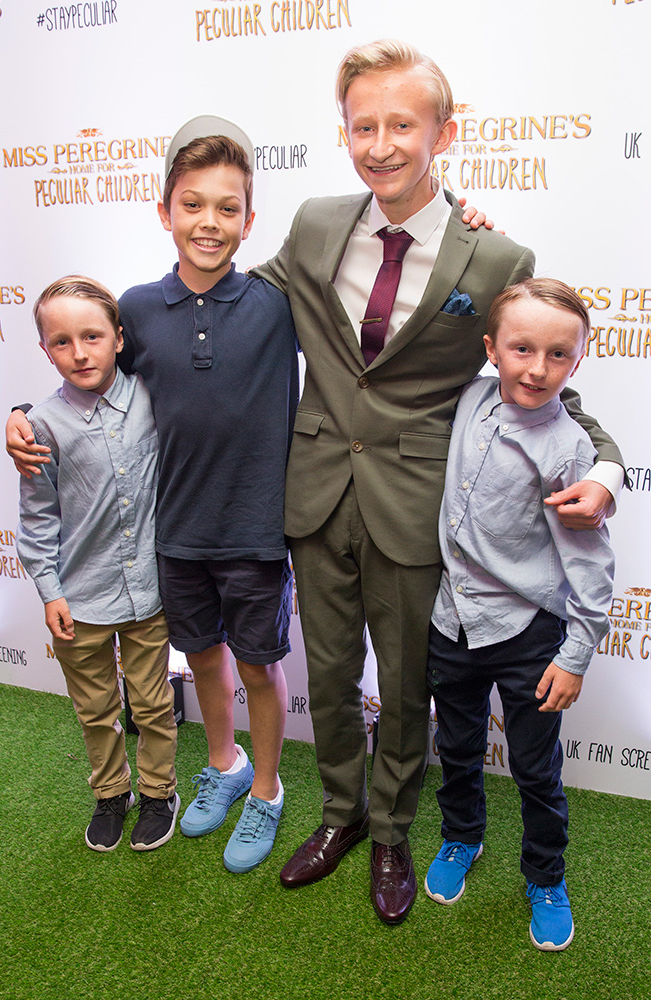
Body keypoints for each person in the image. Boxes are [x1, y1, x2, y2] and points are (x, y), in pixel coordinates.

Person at [254, 39, 624, 924]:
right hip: (315, 493)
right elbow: (240, 310)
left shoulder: (495, 259)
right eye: (363, 127)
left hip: (419, 508)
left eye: (402, 126)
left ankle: (392, 830)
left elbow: (543, 383)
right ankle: (341, 814)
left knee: (407, 682)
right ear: (344, 132)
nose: (381, 145)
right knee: (330, 675)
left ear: (444, 134)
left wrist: (608, 468)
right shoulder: (313, 223)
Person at [9, 119, 299, 875]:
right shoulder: (136, 308)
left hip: (257, 531)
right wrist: (20, 412)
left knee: (259, 666)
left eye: (228, 208)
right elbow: (89, 377)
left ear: (250, 220)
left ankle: (266, 789)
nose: (209, 222)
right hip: (172, 534)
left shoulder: (278, 302)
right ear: (163, 210)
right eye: (192, 205)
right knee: (203, 659)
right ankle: (226, 763)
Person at [424, 278, 615, 952]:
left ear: (579, 360)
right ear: (491, 349)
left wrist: (575, 655)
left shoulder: (569, 449)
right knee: (457, 748)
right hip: (451, 622)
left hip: (528, 634)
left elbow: (590, 563)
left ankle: (546, 876)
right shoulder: (470, 397)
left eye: (558, 355)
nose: (537, 368)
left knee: (536, 769)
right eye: (522, 349)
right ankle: (461, 837)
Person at [15, 275, 179, 853]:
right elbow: (38, 517)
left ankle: (159, 792)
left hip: (148, 592)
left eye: (92, 336)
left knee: (153, 704)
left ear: (119, 339)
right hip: (79, 597)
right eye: (62, 342)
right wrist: (49, 591)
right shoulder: (40, 425)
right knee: (96, 709)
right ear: (45, 350)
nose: (80, 353)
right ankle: (112, 792)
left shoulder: (154, 397)